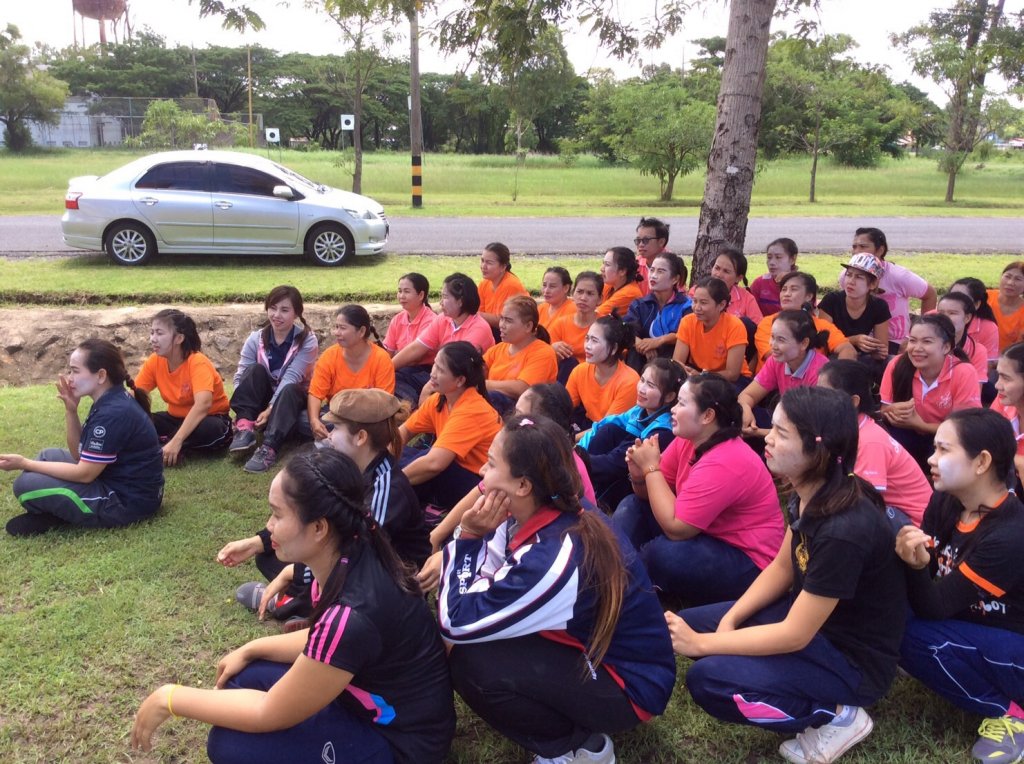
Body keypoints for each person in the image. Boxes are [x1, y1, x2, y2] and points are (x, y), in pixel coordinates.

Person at [131, 449, 456, 763]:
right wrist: (252, 648)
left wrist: (170, 698)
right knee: (242, 676)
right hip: (359, 697)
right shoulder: (351, 551)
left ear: (319, 528)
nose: (269, 526)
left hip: (396, 743)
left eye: (277, 514)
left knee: (229, 745)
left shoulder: (353, 613)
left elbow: (268, 711)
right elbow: (323, 640)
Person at [668, 386, 907, 764]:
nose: (767, 438)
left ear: (818, 449)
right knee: (692, 622)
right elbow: (782, 567)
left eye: (781, 433)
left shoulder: (844, 528)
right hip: (812, 623)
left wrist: (702, 645)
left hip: (849, 661)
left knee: (709, 680)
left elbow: (796, 634)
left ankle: (837, 715)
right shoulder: (810, 489)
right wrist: (730, 621)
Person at [438, 414, 676, 764]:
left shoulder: (555, 557)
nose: (482, 473)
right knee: (478, 637)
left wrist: (468, 539)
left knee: (471, 661)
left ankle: (578, 748)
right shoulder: (549, 510)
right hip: (597, 654)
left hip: (629, 687)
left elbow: (455, 622)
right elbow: (482, 583)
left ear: (523, 485)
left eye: (490, 464)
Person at [221, 389, 431, 627]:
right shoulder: (350, 470)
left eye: (336, 428)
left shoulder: (387, 487)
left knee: (314, 564)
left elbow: (361, 553)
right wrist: (257, 542)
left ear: (360, 437)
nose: (329, 436)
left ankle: (294, 605)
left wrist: (292, 572)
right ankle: (304, 601)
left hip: (388, 582)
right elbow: (316, 517)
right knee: (269, 556)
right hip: (355, 557)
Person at [896, 408, 1024, 764]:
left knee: (911, 637)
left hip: (1016, 641)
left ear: (981, 462)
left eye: (943, 449)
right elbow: (930, 569)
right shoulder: (948, 500)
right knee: (893, 612)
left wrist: (914, 567)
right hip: (978, 624)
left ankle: (1010, 714)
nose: (931, 458)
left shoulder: (1010, 535)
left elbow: (933, 605)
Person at [415, 383, 601, 594]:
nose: (510, 421)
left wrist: (461, 546)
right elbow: (480, 493)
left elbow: (461, 615)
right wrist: (441, 536)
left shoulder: (553, 476)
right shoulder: (531, 471)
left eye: (519, 415)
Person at [616, 373, 783, 604]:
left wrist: (651, 469)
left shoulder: (726, 460)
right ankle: (613, 564)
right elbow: (651, 494)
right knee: (632, 505)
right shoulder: (689, 439)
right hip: (704, 533)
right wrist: (639, 476)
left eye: (682, 404)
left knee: (663, 555)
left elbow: (677, 529)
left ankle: (626, 582)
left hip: (747, 560)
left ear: (707, 416)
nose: (673, 410)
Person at [2, 339, 164, 537]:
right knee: (46, 455)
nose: (70, 378)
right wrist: (71, 411)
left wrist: (23, 462)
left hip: (128, 502)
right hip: (112, 479)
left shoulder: (113, 412)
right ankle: (60, 509)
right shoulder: (110, 399)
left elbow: (85, 474)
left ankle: (60, 512)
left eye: (75, 371)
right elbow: (78, 455)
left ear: (101, 375)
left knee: (25, 485)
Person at [245, 305, 395, 474]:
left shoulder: (381, 359)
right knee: (302, 417)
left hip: (367, 421)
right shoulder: (330, 355)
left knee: (366, 431)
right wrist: (315, 421)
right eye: (336, 327)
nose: (336, 333)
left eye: (342, 328)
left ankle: (333, 441)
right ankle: (275, 445)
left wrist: (347, 424)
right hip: (333, 416)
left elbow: (383, 404)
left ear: (361, 331)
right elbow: (316, 393)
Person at [817, 360, 931, 529]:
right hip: (889, 513)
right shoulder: (847, 428)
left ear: (853, 401)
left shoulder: (869, 441)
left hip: (915, 527)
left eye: (825, 394)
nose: (817, 400)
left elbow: (864, 504)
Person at [399, 341, 502, 512]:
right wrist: (381, 459)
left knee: (425, 460)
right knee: (403, 455)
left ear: (460, 380)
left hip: (478, 484)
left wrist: (393, 480)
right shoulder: (440, 399)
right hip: (453, 470)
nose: (432, 373)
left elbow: (435, 463)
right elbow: (404, 431)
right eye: (434, 365)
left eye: (440, 370)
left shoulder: (472, 410)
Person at [880, 314, 981, 473]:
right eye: (913, 340)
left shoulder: (963, 372)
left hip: (947, 438)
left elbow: (965, 428)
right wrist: (894, 411)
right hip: (905, 433)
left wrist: (920, 425)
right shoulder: (896, 365)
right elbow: (884, 410)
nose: (917, 348)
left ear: (946, 347)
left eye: (927, 341)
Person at [581, 358, 684, 512]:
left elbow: (619, 461)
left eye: (650, 385)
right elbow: (605, 424)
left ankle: (592, 498)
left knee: (620, 455)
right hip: (621, 462)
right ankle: (583, 484)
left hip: (638, 488)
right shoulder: (639, 410)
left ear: (669, 396)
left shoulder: (664, 432)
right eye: (642, 380)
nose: (642, 388)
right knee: (609, 430)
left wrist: (576, 461)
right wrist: (579, 449)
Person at [228, 285, 319, 455]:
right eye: (273, 308)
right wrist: (243, 412)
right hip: (264, 400)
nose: (277, 315)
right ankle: (244, 428)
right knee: (254, 370)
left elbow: (292, 377)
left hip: (291, 401)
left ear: (296, 313)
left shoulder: (307, 341)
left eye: (284, 310)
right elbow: (242, 376)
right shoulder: (255, 339)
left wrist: (270, 410)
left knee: (292, 393)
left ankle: (270, 445)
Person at [135, 308, 232, 466]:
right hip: (174, 419)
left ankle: (167, 446)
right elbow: (135, 395)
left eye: (159, 333)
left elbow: (203, 405)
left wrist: (177, 440)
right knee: (139, 421)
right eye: (152, 333)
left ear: (179, 338)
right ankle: (165, 447)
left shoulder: (197, 362)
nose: (152, 339)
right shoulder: (154, 361)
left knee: (210, 429)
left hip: (210, 419)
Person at [391, 272, 495, 403]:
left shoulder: (479, 329)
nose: (440, 303)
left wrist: (427, 390)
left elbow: (455, 370)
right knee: (396, 376)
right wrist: (387, 369)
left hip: (462, 382)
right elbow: (416, 348)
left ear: (460, 301)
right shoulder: (443, 319)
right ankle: (414, 404)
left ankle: (417, 406)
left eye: (445, 297)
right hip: (440, 373)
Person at [839, 226, 936, 354]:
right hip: (858, 340)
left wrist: (917, 337)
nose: (856, 252)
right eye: (854, 247)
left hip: (895, 343)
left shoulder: (899, 276)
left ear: (880, 250)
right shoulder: (846, 277)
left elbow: (930, 295)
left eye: (863, 247)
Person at [739, 309, 830, 437]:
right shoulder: (776, 361)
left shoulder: (821, 373)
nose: (772, 344)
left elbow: (808, 431)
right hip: (785, 425)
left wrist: (758, 432)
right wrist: (746, 411)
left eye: (781, 340)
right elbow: (747, 395)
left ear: (804, 343)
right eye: (772, 337)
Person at [753, 272, 856, 372]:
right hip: (772, 381)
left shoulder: (822, 325)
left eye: (794, 289)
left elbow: (848, 350)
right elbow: (775, 356)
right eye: (784, 290)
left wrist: (835, 377)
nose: (786, 294)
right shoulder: (768, 323)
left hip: (815, 380)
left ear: (809, 296)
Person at [817, 253, 890, 376]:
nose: (851, 281)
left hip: (863, 357)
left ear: (872, 284)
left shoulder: (879, 306)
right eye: (849, 275)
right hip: (833, 356)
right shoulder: (831, 300)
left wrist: (876, 351)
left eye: (859, 277)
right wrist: (854, 340)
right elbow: (823, 342)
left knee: (892, 363)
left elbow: (882, 348)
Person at [565, 316, 641, 433]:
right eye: (587, 339)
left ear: (614, 348)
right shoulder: (580, 371)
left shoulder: (629, 381)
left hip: (613, 434)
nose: (587, 346)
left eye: (594, 341)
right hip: (588, 426)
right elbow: (563, 408)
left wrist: (570, 439)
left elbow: (606, 428)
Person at [483, 295, 558, 413]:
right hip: (495, 408)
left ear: (528, 326)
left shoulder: (544, 352)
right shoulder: (497, 349)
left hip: (526, 414)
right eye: (501, 318)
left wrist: (482, 384)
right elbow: (476, 371)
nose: (501, 325)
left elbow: (523, 388)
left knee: (492, 397)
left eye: (508, 320)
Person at [672, 277, 752, 385]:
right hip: (697, 373)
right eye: (694, 301)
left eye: (703, 303)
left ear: (721, 305)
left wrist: (702, 377)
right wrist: (687, 373)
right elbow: (677, 362)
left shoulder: (735, 326)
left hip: (730, 380)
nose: (697, 308)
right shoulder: (687, 321)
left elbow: (732, 374)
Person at [625, 252, 692, 371]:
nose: (653, 276)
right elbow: (626, 329)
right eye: (652, 270)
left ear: (675, 279)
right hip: (644, 359)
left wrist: (659, 341)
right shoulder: (640, 305)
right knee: (634, 351)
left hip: (672, 362)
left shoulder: (686, 306)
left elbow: (688, 334)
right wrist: (643, 345)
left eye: (660, 271)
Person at [549, 270, 602, 384]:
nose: (583, 298)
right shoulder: (560, 324)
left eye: (590, 293)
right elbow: (546, 358)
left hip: (594, 378)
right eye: (579, 292)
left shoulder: (605, 326)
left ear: (599, 299)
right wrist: (553, 349)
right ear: (573, 294)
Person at [936, 291, 988, 386]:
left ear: (967, 318)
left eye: (952, 313)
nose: (944, 317)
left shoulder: (977, 351)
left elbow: (975, 390)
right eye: (941, 312)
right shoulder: (925, 343)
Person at [477, 242, 528, 335]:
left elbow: (503, 321)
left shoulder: (511, 285)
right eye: (482, 261)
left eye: (489, 263)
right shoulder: (484, 283)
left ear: (503, 267)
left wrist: (472, 313)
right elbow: (480, 311)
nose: (483, 266)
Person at [992, 341, 1024, 484]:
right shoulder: (1003, 401)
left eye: (1006, 378)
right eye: (998, 376)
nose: (997, 385)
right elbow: (982, 440)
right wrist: (1017, 461)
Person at [951, 276, 1000, 367]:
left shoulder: (989, 328)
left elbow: (988, 365)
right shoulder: (932, 317)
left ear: (976, 304)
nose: (954, 302)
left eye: (961, 298)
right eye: (951, 296)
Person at [710, 245, 763, 324]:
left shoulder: (746, 298)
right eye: (717, 268)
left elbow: (759, 327)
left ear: (738, 278)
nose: (718, 274)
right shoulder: (696, 291)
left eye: (726, 271)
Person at [749, 237, 798, 316]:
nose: (772, 262)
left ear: (792, 259)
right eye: (769, 257)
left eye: (778, 257)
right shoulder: (760, 283)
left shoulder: (802, 284)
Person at [986, 261, 1024, 352]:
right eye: (1007, 276)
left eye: (1018, 279)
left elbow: (1019, 348)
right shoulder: (984, 297)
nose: (1010, 283)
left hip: (1006, 357)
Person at [597, 247, 644, 317]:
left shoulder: (629, 293)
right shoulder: (611, 285)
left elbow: (593, 315)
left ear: (622, 271)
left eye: (607, 265)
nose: (601, 269)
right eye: (603, 263)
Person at [634, 216, 672, 295]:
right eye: (638, 240)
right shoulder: (635, 264)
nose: (641, 244)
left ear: (661, 242)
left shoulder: (672, 265)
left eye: (646, 240)